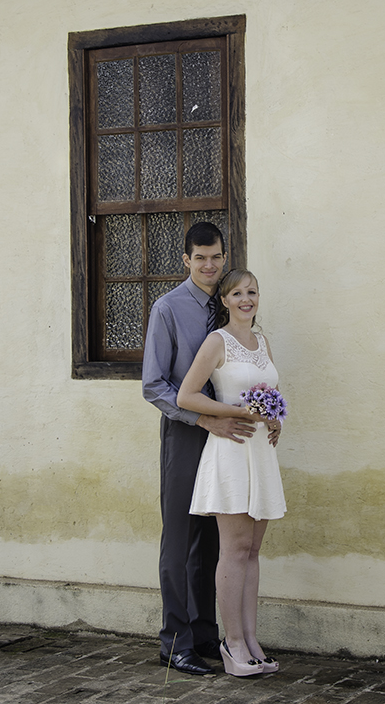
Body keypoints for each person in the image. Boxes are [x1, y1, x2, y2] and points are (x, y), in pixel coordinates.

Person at [142, 222, 273, 675]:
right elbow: (154, 384)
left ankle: (205, 634)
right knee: (181, 538)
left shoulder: (228, 304)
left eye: (216, 256)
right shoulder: (168, 308)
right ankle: (175, 643)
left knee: (216, 542)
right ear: (186, 260)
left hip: (233, 438)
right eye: (200, 258)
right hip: (188, 431)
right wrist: (203, 419)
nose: (209, 265)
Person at [176, 269, 286, 677]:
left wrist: (275, 417)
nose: (246, 299)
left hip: (260, 453)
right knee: (235, 549)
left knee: (253, 551)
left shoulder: (262, 342)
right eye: (237, 293)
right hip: (232, 452)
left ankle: (252, 639)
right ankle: (232, 642)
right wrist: (236, 412)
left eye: (252, 292)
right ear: (224, 300)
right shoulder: (217, 341)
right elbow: (187, 395)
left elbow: (270, 390)